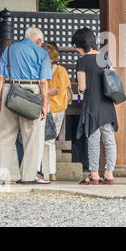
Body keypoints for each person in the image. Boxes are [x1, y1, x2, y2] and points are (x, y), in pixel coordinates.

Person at [0, 25, 51, 184]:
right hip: (31, 91)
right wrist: (44, 104)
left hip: (9, 90)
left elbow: (0, 78)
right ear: (39, 40)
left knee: (4, 135)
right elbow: (44, 82)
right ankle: (28, 177)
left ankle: (1, 177)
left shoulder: (9, 49)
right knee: (31, 137)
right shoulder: (42, 53)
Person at [72, 27, 119, 185]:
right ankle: (109, 172)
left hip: (92, 104)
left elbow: (83, 87)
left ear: (81, 45)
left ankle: (94, 174)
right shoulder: (104, 57)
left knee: (93, 139)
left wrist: (79, 90)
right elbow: (113, 78)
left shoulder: (82, 61)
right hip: (107, 104)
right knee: (109, 140)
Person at [37, 44, 71, 184]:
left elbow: (52, 90)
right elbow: (66, 90)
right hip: (59, 108)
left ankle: (46, 171)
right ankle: (51, 172)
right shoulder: (62, 71)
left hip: (47, 108)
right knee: (50, 141)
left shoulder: (42, 69)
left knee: (44, 140)